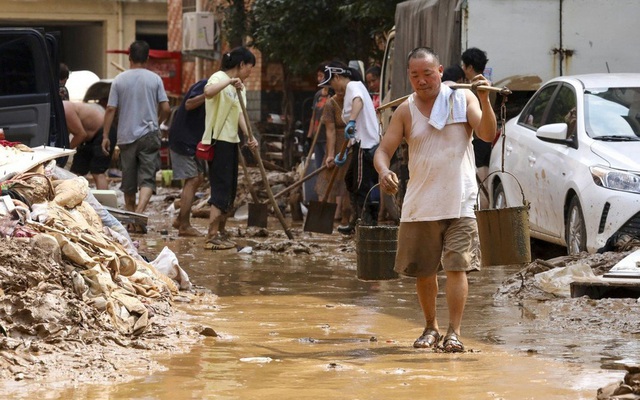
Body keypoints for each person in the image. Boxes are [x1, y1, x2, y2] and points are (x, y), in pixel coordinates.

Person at [374, 47, 496, 353]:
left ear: (440, 71)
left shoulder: (461, 99)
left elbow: (486, 133)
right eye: (415, 75)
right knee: (425, 272)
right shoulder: (405, 110)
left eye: (428, 73)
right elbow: (383, 149)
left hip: (460, 200)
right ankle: (431, 326)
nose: (422, 81)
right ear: (409, 77)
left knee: (457, 267)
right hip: (421, 203)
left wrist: (483, 99)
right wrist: (384, 171)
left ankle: (454, 332)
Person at [101, 40, 171, 216]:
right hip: (149, 134)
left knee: (129, 182)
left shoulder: (119, 80)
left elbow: (110, 109)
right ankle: (139, 214)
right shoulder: (155, 79)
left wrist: (105, 136)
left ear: (129, 57)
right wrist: (156, 121)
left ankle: (133, 219)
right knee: (147, 179)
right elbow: (166, 109)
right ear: (147, 59)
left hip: (127, 137)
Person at [202, 46, 258, 250]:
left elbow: (240, 114)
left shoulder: (240, 87)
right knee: (220, 188)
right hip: (217, 141)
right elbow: (207, 93)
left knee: (230, 189)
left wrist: (250, 136)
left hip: (231, 140)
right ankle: (211, 235)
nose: (250, 73)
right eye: (249, 68)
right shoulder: (218, 78)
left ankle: (222, 231)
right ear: (241, 64)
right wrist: (229, 81)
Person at [319, 61, 380, 234]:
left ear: (337, 77)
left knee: (361, 184)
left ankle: (366, 223)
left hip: (366, 144)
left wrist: (351, 120)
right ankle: (357, 220)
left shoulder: (353, 86)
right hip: (358, 144)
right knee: (350, 180)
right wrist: (344, 151)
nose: (331, 87)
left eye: (331, 82)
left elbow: (358, 102)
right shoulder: (350, 90)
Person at [168, 79, 208, 237]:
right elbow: (189, 104)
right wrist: (208, 94)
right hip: (183, 139)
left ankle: (180, 219)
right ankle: (184, 225)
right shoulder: (208, 85)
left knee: (198, 178)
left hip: (194, 140)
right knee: (192, 179)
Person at [318, 81, 351, 226]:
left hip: (351, 145)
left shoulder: (354, 101)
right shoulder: (330, 105)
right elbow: (330, 131)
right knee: (329, 180)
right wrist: (331, 155)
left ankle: (347, 217)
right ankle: (327, 219)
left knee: (347, 183)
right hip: (336, 145)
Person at [64, 100, 116, 190]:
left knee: (97, 171)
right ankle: (73, 196)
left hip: (104, 133)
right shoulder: (62, 111)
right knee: (76, 171)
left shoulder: (65, 109)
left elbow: (80, 134)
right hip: (88, 138)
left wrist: (64, 151)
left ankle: (103, 202)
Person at [461, 47, 493, 190]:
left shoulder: (469, 90)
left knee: (480, 182)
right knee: (486, 176)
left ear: (470, 67)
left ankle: (482, 210)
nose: (463, 68)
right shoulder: (490, 85)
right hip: (489, 137)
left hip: (477, 138)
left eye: (464, 65)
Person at [304, 62, 331, 203]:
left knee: (326, 170)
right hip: (317, 138)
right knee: (318, 170)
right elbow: (314, 116)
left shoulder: (332, 95)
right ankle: (320, 201)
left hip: (328, 138)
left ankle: (327, 200)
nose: (319, 79)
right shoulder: (318, 95)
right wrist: (309, 136)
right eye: (318, 76)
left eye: (321, 76)